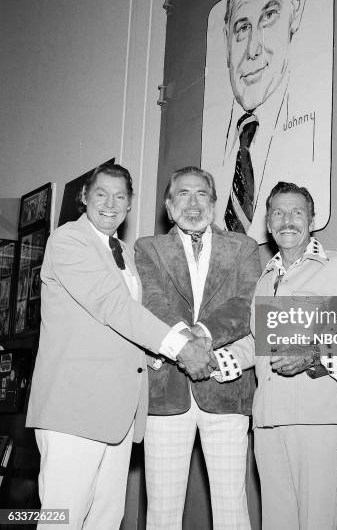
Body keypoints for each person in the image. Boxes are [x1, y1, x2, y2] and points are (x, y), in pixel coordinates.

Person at [26, 163, 211, 530]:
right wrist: (181, 348)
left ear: (129, 206)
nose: (110, 203)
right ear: (84, 198)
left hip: (119, 414)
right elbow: (113, 306)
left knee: (107, 520)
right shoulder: (67, 241)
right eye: (101, 194)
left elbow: (125, 330)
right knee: (61, 519)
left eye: (120, 196)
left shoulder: (125, 252)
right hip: (74, 411)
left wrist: (161, 356)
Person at [222, 182, 337, 530]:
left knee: (316, 523)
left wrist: (312, 353)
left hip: (318, 419)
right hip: (267, 419)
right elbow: (257, 342)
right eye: (278, 212)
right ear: (268, 224)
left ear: (311, 219)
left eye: (297, 212)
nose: (288, 220)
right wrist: (216, 360)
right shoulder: (265, 279)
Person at [134, 166, 260, 530]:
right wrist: (184, 345)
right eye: (183, 195)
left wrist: (202, 334)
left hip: (226, 391)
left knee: (231, 509)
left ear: (214, 202)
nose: (192, 202)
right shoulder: (148, 248)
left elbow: (246, 301)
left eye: (201, 194)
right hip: (166, 395)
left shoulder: (244, 247)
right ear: (169, 206)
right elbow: (153, 301)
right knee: (162, 511)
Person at [203, 0, 330, 244]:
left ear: (297, 5)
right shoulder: (213, 159)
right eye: (242, 27)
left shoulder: (311, 130)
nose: (253, 49)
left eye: (269, 15)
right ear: (226, 35)